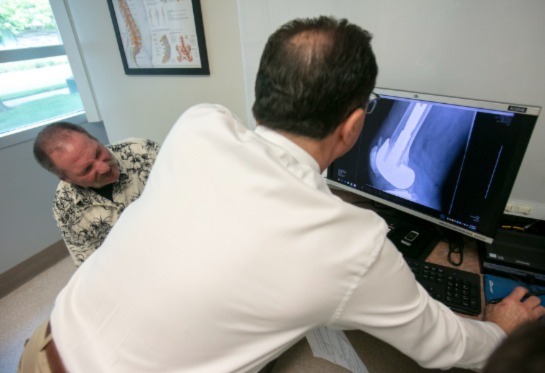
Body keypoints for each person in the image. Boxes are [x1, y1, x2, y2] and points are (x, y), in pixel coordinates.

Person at [20, 16, 545, 372]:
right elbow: (444, 347)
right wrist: (499, 329)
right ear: (355, 125)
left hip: (43, 346)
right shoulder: (352, 245)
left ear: (260, 96)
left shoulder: (196, 125)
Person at [33, 122, 160, 265]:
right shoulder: (66, 209)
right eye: (87, 170)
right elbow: (89, 265)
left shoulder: (143, 151)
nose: (104, 168)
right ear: (66, 179)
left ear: (96, 139)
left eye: (98, 152)